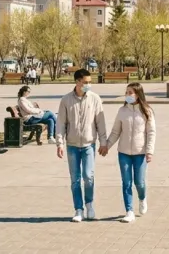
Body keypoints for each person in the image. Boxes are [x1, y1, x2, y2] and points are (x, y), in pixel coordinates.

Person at [56, 68, 107, 223]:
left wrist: (103, 142)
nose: (88, 85)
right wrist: (60, 143)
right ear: (77, 82)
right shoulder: (66, 100)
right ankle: (79, 209)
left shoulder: (95, 99)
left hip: (88, 144)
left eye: (89, 83)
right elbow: (61, 123)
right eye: (85, 82)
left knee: (88, 176)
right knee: (75, 179)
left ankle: (89, 204)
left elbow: (100, 122)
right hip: (72, 145)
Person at [100, 83, 157, 223]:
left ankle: (142, 198)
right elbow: (115, 132)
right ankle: (129, 211)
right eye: (126, 92)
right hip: (124, 152)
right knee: (126, 182)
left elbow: (151, 133)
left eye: (130, 92)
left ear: (138, 94)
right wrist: (107, 145)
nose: (127, 95)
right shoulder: (122, 111)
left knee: (139, 182)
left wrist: (149, 151)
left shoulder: (147, 111)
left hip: (140, 152)